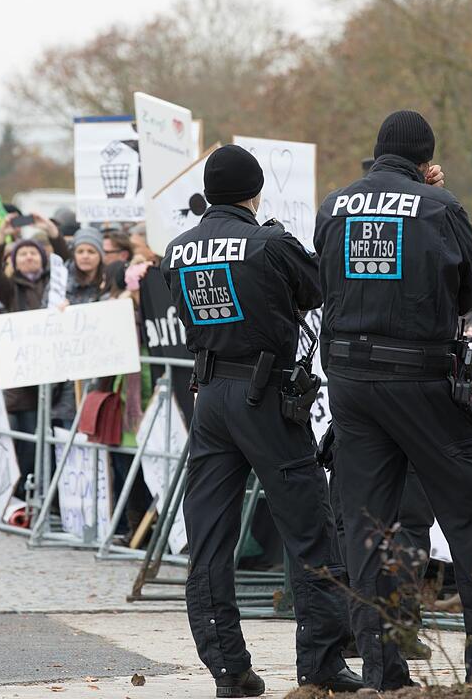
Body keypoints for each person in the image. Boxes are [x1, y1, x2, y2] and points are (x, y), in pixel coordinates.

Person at [315, 110, 472, 688]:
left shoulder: (334, 206)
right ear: (426, 158)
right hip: (424, 381)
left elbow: (324, 282)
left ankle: (382, 669)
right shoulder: (439, 206)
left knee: (367, 527)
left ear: (379, 149)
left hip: (351, 383)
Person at [162, 144, 362, 697]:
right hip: (266, 396)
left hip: (210, 398)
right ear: (255, 192)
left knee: (208, 537)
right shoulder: (269, 242)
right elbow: (317, 289)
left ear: (209, 193)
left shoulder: (178, 250)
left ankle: (228, 670)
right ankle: (321, 664)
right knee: (309, 529)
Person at [0, 214, 71, 496]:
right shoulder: (10, 289)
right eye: (22, 254)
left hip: (52, 372)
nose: (29, 257)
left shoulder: (55, 284)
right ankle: (22, 493)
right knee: (23, 439)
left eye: (34, 252)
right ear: (15, 261)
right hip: (21, 376)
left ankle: (45, 492)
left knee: (45, 438)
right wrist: (0, 238)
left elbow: (67, 263)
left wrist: (53, 232)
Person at [65, 227, 108, 304]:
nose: (85, 256)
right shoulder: (61, 281)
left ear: (101, 255)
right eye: (80, 252)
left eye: (91, 252)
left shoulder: (109, 279)